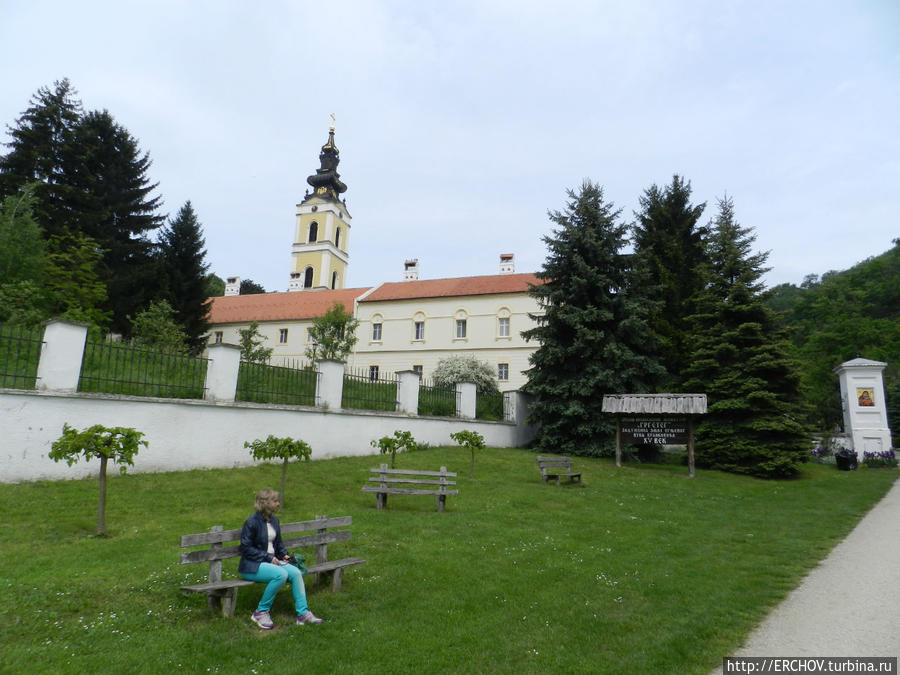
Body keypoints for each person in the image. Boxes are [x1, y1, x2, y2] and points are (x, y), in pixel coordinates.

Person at [238, 489, 323, 629]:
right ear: (265, 503)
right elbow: (245, 548)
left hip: (271, 562)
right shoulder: (251, 522)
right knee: (281, 574)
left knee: (295, 572)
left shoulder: (274, 521)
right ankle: (261, 612)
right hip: (252, 566)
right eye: (275, 501)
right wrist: (268, 557)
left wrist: (283, 554)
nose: (278, 504)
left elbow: (278, 544)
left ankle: (303, 614)